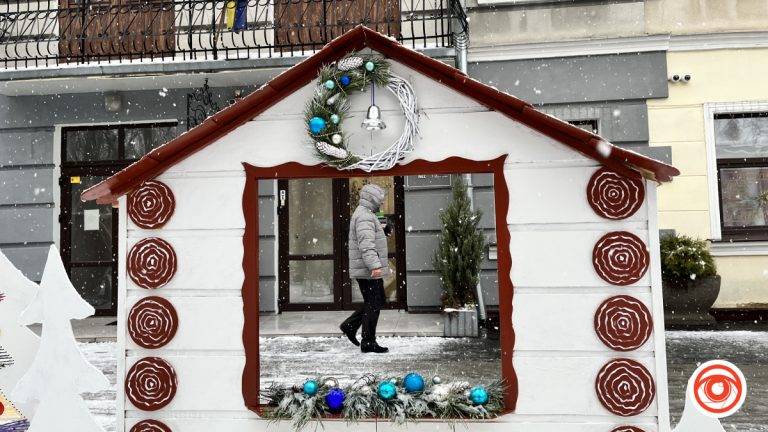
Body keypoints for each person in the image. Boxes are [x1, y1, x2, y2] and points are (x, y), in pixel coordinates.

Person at [340, 183, 391, 354]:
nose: (381, 204)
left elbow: (375, 234)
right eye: (380, 201)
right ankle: (368, 341)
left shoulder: (369, 214)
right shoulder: (364, 216)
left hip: (366, 268)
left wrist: (385, 229)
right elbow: (366, 244)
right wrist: (374, 266)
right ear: (372, 199)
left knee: (376, 301)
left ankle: (351, 325)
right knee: (374, 303)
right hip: (367, 269)